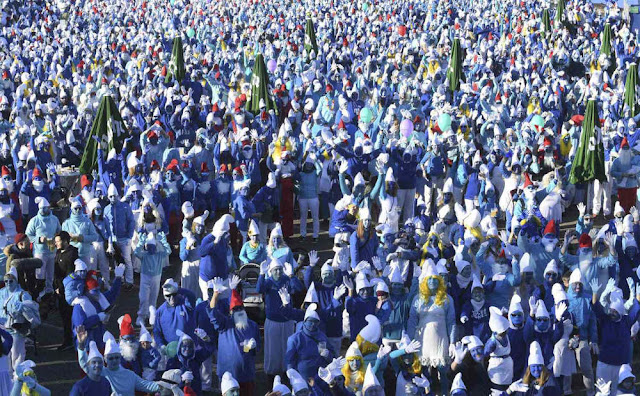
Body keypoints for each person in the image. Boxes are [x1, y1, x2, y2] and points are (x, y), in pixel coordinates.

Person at [76, 325, 161, 394]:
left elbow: (147, 385)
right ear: (105, 359)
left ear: (120, 358)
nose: (114, 360)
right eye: (111, 358)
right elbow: (85, 364)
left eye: (116, 357)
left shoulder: (129, 375)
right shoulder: (101, 373)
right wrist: (81, 345)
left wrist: (165, 385)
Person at [209, 282, 261, 395]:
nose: (239, 311)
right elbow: (212, 314)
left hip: (246, 374)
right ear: (230, 311)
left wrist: (251, 348)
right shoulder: (224, 324)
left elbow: (256, 350)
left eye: (241, 307)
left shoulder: (253, 326)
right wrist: (215, 294)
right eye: (235, 309)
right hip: (228, 375)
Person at [24, 196, 60, 296]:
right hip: (40, 252)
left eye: (46, 208)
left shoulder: (54, 219)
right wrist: (39, 239)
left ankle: (49, 291)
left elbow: (59, 231)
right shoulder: (34, 221)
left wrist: (56, 239)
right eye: (42, 209)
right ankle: (40, 292)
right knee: (40, 273)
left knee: (50, 273)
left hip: (52, 250)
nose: (45, 210)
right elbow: (28, 235)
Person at [104, 183, 136, 290]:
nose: (113, 198)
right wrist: (109, 241)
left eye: (114, 196)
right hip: (113, 239)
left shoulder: (125, 207)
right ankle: (120, 279)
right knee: (116, 260)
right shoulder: (107, 209)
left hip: (124, 238)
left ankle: (129, 281)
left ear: (118, 195)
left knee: (127, 259)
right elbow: (106, 226)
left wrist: (129, 236)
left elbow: (131, 221)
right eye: (111, 196)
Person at [54, 231, 79, 351]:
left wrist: (62, 288)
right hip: (59, 289)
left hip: (68, 290)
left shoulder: (72, 254)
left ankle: (71, 340)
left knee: (70, 316)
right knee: (64, 316)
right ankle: (68, 338)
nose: (56, 243)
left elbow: (70, 274)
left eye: (58, 241)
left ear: (65, 241)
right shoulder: (59, 252)